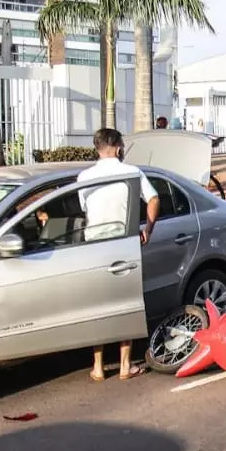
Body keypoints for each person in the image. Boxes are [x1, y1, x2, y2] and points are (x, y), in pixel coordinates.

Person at [78, 127, 160, 381]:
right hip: (124, 243)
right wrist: (148, 229)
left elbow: (84, 208)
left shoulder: (84, 177)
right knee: (126, 303)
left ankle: (98, 366)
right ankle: (125, 365)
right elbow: (154, 200)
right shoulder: (131, 172)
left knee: (99, 306)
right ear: (118, 147)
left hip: (94, 246)